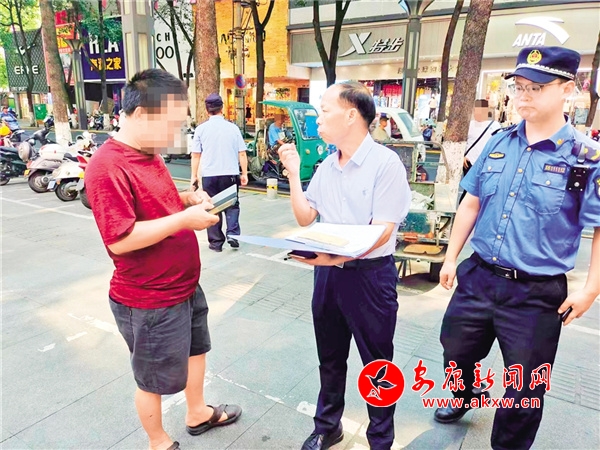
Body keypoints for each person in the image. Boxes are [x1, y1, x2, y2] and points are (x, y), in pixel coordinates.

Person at [434, 46, 600, 450]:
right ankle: (465, 393)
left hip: (536, 294)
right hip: (479, 277)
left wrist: (591, 290)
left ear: (568, 90)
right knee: (455, 349)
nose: (523, 96)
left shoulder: (586, 158)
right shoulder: (499, 142)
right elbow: (471, 202)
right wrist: (451, 257)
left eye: (536, 88)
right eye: (519, 87)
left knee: (525, 388)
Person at [85, 69, 242, 450]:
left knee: (196, 351)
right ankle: (158, 442)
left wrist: (187, 199)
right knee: (152, 380)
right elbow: (120, 239)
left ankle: (197, 413)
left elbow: (158, 201)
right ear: (141, 114)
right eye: (171, 124)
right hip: (149, 298)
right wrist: (184, 220)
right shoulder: (106, 166)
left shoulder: (148, 154)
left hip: (183, 285)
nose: (175, 134)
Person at [279, 81, 411, 450]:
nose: (318, 118)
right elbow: (306, 217)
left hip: (370, 278)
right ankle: (328, 426)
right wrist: (293, 174)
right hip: (328, 277)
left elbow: (382, 231)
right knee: (330, 356)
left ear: (351, 115)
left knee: (378, 364)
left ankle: (380, 439)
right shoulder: (327, 165)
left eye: (324, 110)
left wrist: (335, 257)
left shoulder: (385, 164)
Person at [190, 93, 248, 252]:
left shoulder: (201, 129)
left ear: (207, 110)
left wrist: (194, 176)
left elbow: (196, 155)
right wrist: (244, 173)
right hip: (230, 174)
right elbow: (242, 153)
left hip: (209, 175)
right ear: (222, 108)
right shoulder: (233, 128)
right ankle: (233, 235)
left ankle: (216, 243)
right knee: (232, 205)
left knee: (212, 206)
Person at [459, 99, 501, 202]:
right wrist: (462, 156)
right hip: (469, 163)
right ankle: (463, 207)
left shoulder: (494, 126)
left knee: (482, 189)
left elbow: (499, 144)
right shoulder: (469, 125)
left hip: (486, 163)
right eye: (476, 110)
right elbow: (461, 142)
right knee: (468, 190)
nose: (478, 113)